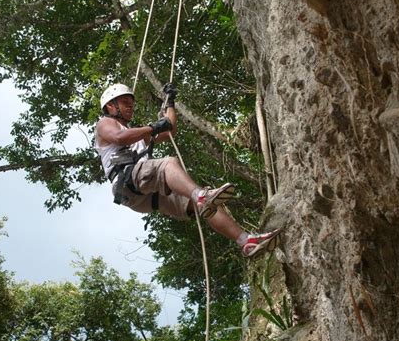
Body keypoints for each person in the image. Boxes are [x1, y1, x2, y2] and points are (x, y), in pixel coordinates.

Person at [95, 83, 282, 257]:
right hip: (127, 179)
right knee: (168, 164)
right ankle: (201, 196)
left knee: (206, 207)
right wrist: (152, 127)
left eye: (131, 103)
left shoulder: (136, 135)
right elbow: (119, 137)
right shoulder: (105, 123)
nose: (130, 107)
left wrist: (170, 103)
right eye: (125, 102)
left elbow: (169, 131)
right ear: (111, 106)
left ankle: (245, 242)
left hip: (139, 195)